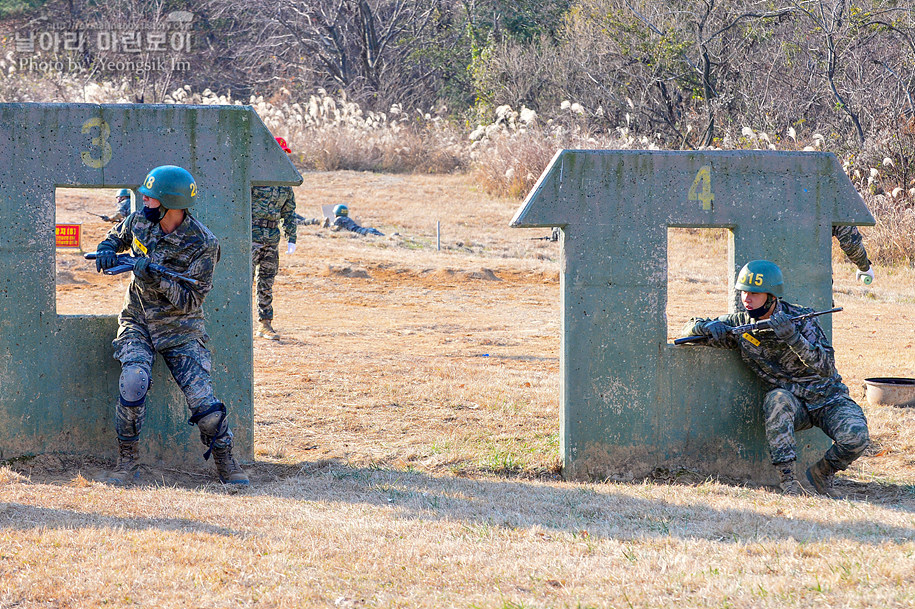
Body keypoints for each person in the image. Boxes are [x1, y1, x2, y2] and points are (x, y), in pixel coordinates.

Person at [94, 165, 249, 486]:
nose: (144, 201)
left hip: (181, 330)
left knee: (206, 409)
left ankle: (226, 460)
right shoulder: (139, 220)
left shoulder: (204, 243)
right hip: (137, 320)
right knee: (133, 382)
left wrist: (156, 276)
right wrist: (108, 249)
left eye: (150, 198)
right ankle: (127, 462)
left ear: (171, 205)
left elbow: (191, 300)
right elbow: (118, 235)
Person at [681, 260, 869, 496]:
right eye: (744, 293)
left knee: (856, 437)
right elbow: (687, 329)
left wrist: (794, 339)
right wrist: (707, 327)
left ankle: (824, 472)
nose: (747, 299)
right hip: (793, 403)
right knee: (777, 399)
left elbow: (826, 367)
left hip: (828, 399)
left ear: (771, 296)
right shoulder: (741, 324)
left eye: (755, 293)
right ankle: (789, 482)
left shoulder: (801, 319)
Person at [251, 136, 298, 341]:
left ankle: (265, 324)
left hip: (271, 238)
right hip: (250, 237)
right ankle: (240, 325)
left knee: (266, 282)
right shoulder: (254, 179)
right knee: (245, 282)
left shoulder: (284, 184)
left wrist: (292, 238)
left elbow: (289, 212)